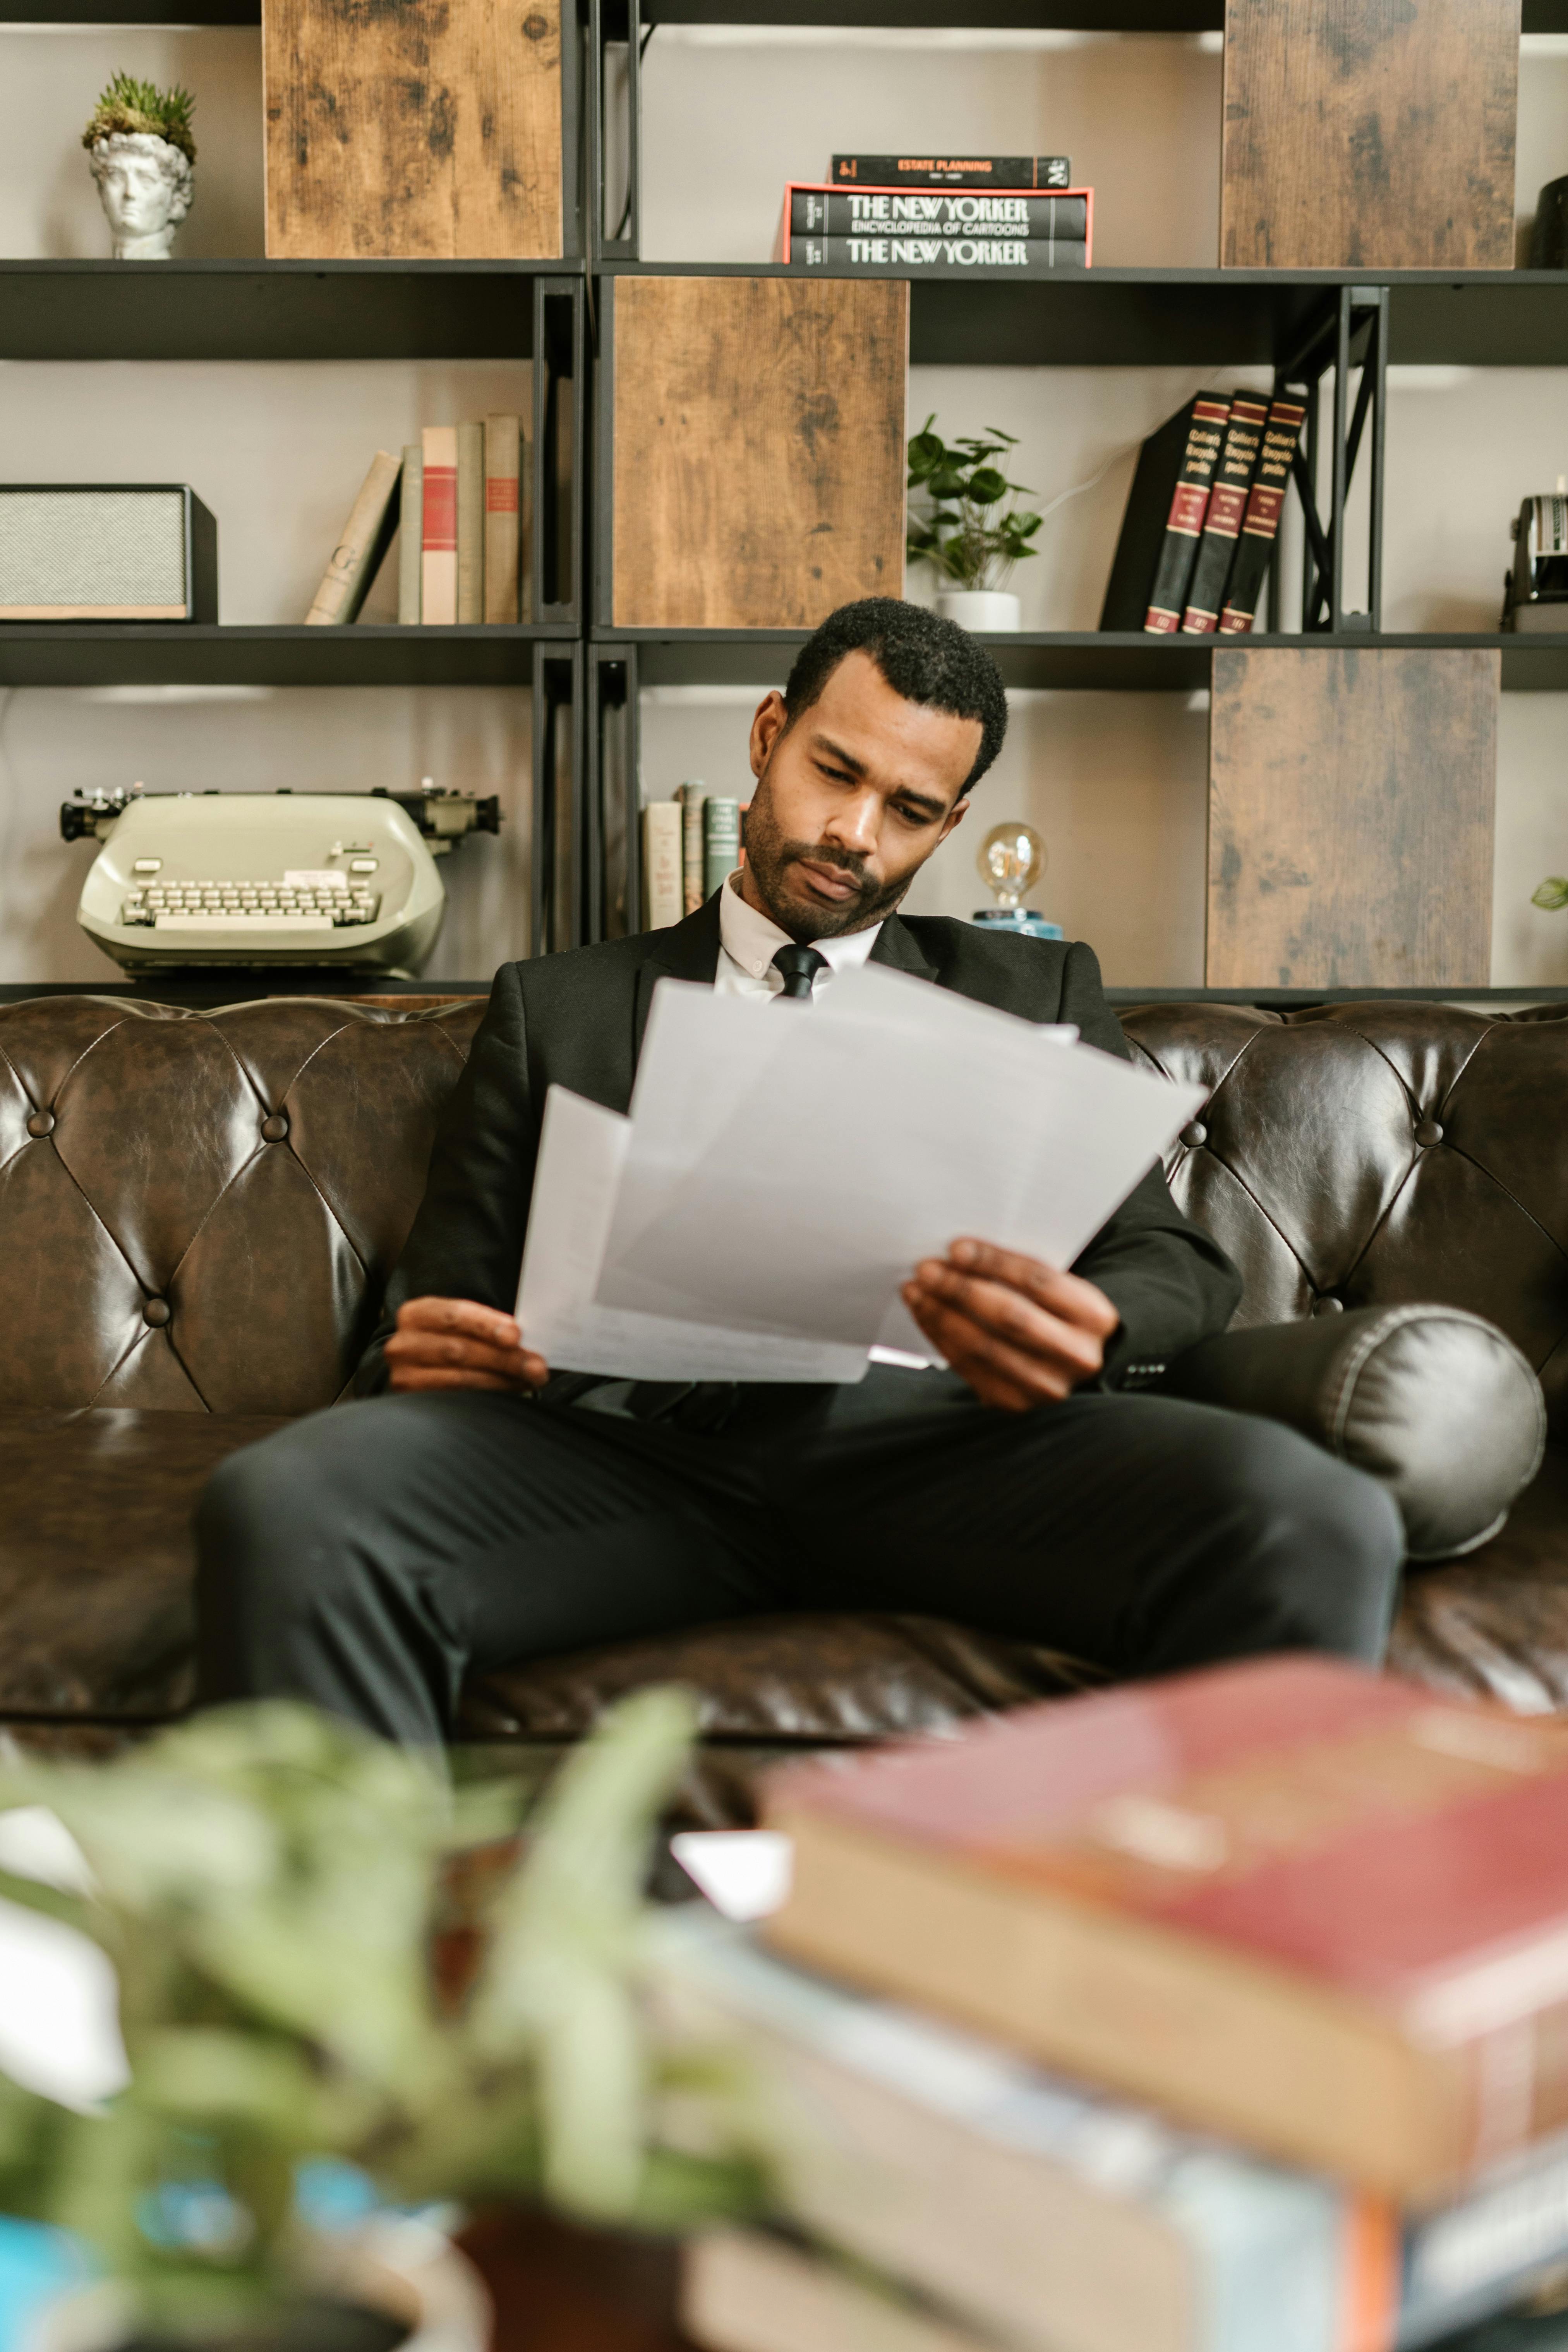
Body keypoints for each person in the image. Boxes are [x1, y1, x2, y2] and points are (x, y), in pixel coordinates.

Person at [195, 599, 1403, 1743]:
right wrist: (424, 1355)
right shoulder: (552, 1007)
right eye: (835, 772)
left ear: (952, 822)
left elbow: (1167, 1255)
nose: (855, 835)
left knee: (1311, 1515)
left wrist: (1093, 1322)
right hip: (634, 1458)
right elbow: (436, 1304)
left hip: (939, 1453)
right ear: (770, 735)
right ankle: (346, 1955)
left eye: (911, 809)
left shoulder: (1034, 986)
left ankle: (1206, 1957)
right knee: (289, 1502)